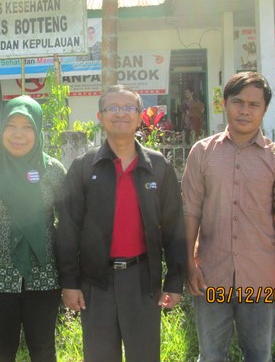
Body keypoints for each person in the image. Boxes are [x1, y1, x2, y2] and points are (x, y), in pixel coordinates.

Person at [56, 85, 186, 362]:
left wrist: (175, 280)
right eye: (112, 108)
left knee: (145, 356)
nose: (120, 114)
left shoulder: (159, 166)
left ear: (140, 117)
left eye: (128, 108)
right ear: (100, 117)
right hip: (96, 282)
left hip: (142, 280)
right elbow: (67, 227)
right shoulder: (83, 166)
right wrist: (70, 282)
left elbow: (174, 227)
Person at [182, 72, 275, 362]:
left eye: (254, 104)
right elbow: (190, 210)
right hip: (211, 276)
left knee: (259, 355)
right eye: (238, 102)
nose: (245, 110)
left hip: (262, 280)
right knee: (210, 355)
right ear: (225, 104)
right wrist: (188, 262)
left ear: (264, 109)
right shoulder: (202, 153)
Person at [0, 95, 66, 362]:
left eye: (27, 127)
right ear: (2, 128)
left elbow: (68, 227)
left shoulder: (53, 170)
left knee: (43, 350)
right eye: (11, 125)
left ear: (38, 130)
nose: (18, 134)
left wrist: (71, 279)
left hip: (44, 278)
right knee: (1, 351)